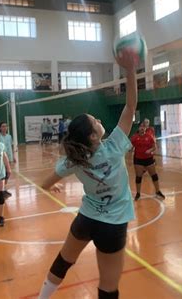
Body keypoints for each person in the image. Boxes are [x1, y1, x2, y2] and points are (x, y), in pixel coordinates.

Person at [37, 49, 137, 299]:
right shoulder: (115, 146)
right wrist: (131, 70)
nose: (99, 120)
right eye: (96, 120)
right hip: (113, 226)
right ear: (94, 135)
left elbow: (44, 184)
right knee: (108, 287)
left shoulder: (74, 159)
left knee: (63, 261)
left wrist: (53, 187)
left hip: (87, 219)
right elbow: (130, 105)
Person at [131, 122, 165, 201]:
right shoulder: (135, 137)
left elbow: (154, 147)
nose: (142, 128)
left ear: (145, 128)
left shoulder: (149, 137)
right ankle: (138, 193)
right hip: (138, 159)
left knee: (154, 175)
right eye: (141, 127)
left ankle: (157, 191)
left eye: (144, 127)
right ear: (138, 128)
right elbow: (131, 146)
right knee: (139, 177)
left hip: (148, 159)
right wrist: (129, 150)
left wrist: (150, 150)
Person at [0, 121, 16, 199]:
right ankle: (1, 190)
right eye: (3, 126)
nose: (4, 128)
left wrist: (14, 156)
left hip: (9, 157)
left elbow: (11, 146)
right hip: (1, 158)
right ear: (0, 128)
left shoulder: (9, 136)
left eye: (6, 126)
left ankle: (4, 189)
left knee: (8, 174)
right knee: (2, 174)